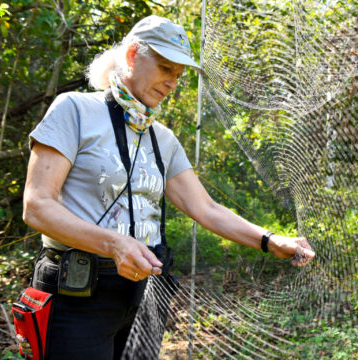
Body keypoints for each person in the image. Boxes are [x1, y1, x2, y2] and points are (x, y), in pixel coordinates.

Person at [22, 15, 315, 360]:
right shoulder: (75, 110)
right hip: (77, 294)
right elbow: (37, 205)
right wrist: (115, 244)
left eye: (179, 75)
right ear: (132, 55)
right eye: (165, 68)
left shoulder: (163, 139)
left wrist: (268, 240)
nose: (173, 83)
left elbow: (206, 209)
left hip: (144, 295)